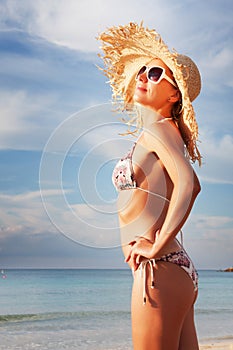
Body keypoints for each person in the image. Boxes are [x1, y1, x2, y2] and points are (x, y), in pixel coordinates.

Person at [98, 22, 202, 350]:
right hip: (175, 271)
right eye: (143, 70)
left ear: (175, 95)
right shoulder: (163, 132)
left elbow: (189, 184)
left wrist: (156, 248)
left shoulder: (159, 130)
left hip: (159, 268)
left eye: (155, 73)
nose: (143, 76)